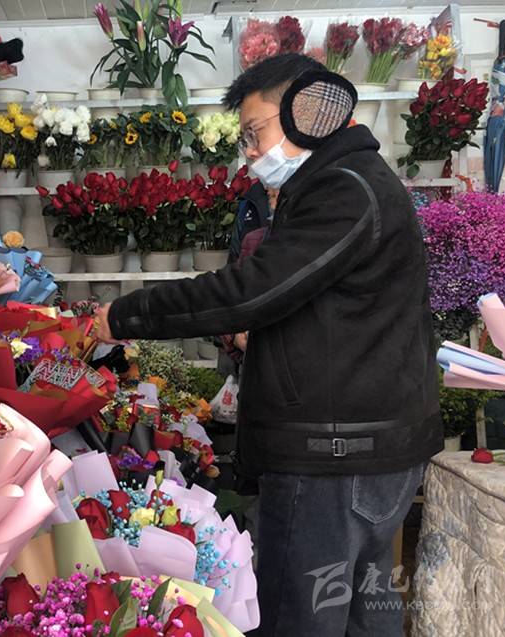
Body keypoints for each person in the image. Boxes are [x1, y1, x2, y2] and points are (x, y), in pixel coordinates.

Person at [96, 53, 443, 637]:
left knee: (300, 619)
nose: (250, 153)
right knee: (363, 616)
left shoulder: (343, 188)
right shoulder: (348, 181)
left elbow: (255, 288)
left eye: (255, 133)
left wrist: (123, 315)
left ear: (308, 114)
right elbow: (323, 302)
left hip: (333, 460)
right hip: (363, 449)